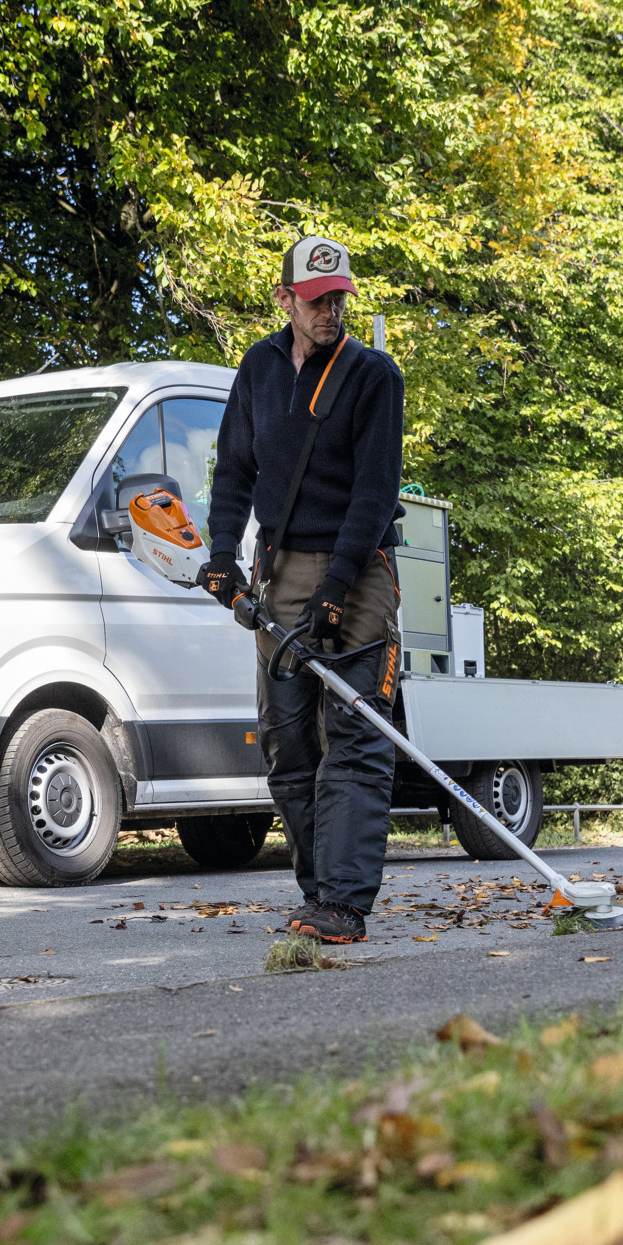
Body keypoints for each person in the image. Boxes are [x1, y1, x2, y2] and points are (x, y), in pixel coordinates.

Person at [197, 235, 406, 944]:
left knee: (353, 737)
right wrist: (224, 554)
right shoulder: (256, 368)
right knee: (289, 744)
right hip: (279, 569)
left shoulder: (374, 376)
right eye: (316, 301)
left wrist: (339, 587)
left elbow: (375, 494)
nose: (330, 312)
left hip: (359, 568)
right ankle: (318, 892)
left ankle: (346, 904)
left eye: (339, 298)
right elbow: (233, 473)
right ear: (285, 298)